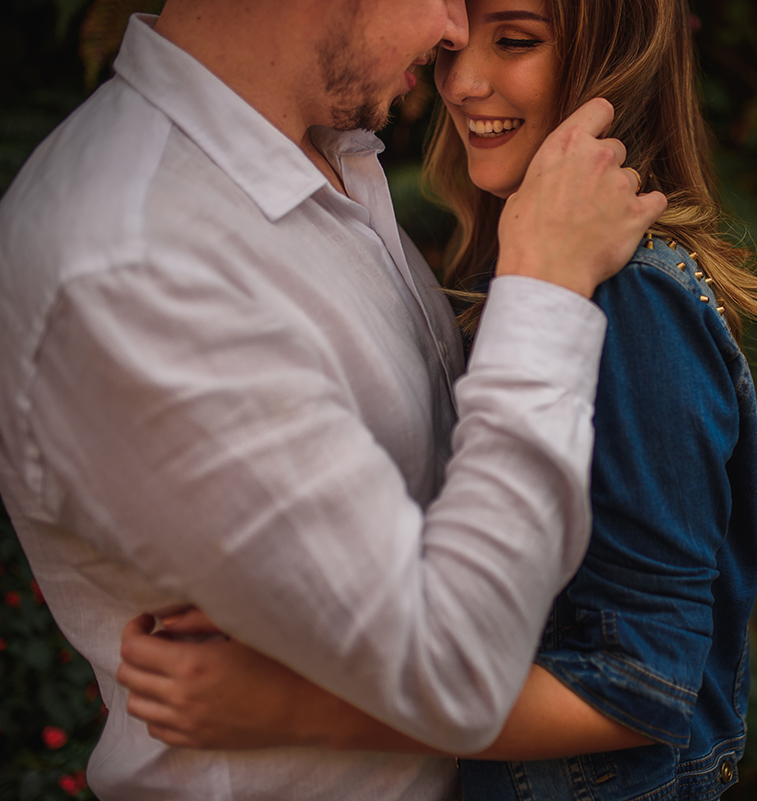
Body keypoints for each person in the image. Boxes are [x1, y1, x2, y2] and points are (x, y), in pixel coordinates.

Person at [116, 0, 757, 798]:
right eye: (456, 45)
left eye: (515, 40)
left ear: (617, 56)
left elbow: (640, 688)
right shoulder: (521, 261)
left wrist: (289, 705)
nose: (462, 82)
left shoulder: (633, 297)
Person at [0, 0, 666, 797]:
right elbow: (454, 669)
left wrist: (295, 702)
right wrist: (545, 287)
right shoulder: (134, 263)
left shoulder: (317, 159)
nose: (454, 32)